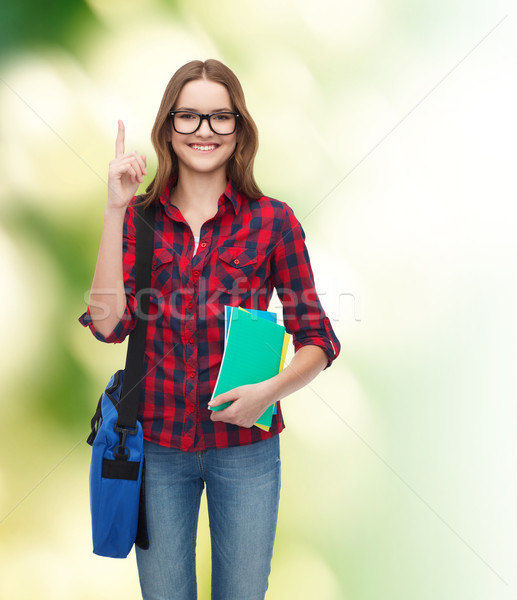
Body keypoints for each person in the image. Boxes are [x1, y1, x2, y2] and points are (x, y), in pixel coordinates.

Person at [79, 59, 340, 600]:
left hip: (246, 450)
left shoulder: (273, 221)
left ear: (239, 130)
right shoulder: (138, 219)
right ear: (168, 129)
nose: (204, 131)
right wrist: (114, 208)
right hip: (158, 449)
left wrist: (267, 394)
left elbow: (318, 338)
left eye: (220, 118)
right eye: (189, 117)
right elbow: (108, 325)